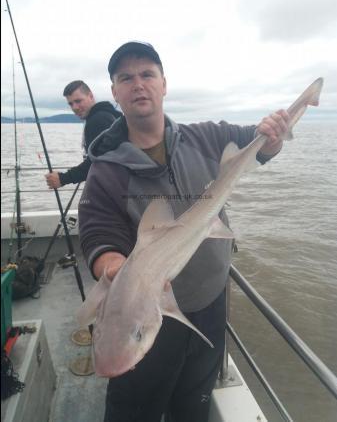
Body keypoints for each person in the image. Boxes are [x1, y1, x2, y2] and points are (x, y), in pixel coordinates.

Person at [78, 42, 290, 422]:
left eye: (147, 74)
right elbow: (97, 235)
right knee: (136, 409)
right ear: (114, 92)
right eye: (126, 78)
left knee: (194, 404)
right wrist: (114, 267)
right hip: (149, 313)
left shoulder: (205, 137)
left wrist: (272, 137)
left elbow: (255, 143)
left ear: (164, 84)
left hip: (210, 304)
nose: (138, 84)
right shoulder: (106, 171)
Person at [45, 80, 122, 189]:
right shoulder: (106, 115)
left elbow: (98, 162)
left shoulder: (98, 120)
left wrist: (63, 178)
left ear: (90, 96)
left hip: (113, 188)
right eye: (71, 103)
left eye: (78, 101)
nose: (75, 107)